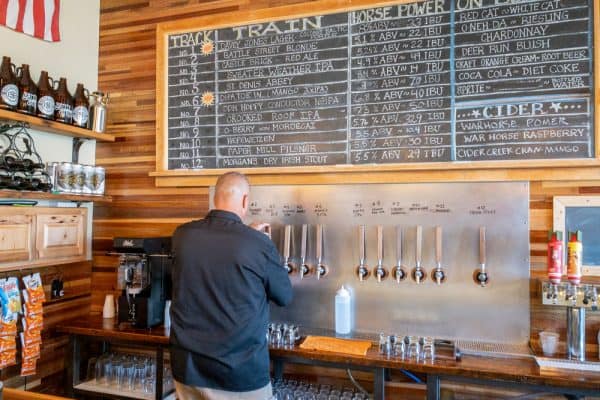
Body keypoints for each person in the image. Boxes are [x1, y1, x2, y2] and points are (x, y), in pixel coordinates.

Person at [170, 171, 293, 400]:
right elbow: (284, 295)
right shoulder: (257, 244)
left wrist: (249, 238)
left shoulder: (182, 236)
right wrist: (260, 242)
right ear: (245, 201)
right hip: (239, 375)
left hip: (188, 370)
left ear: (215, 198)